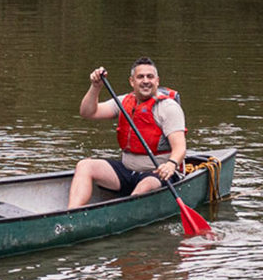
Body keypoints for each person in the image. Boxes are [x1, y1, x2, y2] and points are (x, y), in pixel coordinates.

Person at [68, 57, 187, 208]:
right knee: (85, 166)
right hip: (127, 171)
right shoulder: (124, 102)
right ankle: (71, 214)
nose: (145, 81)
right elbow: (88, 113)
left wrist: (171, 164)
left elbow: (180, 148)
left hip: (158, 173)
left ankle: (124, 213)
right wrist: (95, 87)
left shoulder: (168, 108)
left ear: (157, 81)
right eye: (140, 77)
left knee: (146, 185)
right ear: (132, 81)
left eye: (150, 77)